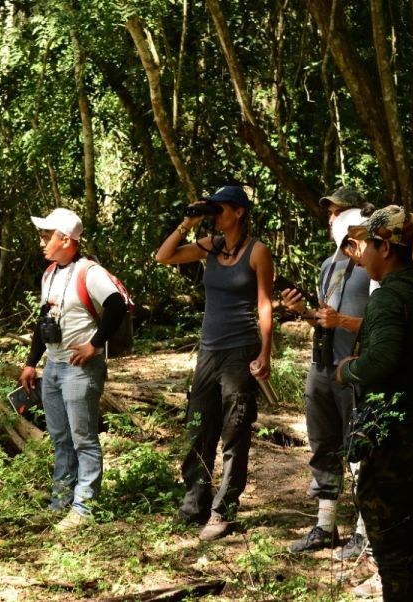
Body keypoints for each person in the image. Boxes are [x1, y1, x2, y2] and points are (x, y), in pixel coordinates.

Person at [336, 205, 413, 602]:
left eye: (365, 244)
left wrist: (349, 371)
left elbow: (383, 360)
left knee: (393, 555)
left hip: (395, 442)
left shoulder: (390, 297)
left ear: (384, 247)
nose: (362, 254)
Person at [155, 185, 274, 541]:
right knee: (198, 425)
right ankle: (195, 503)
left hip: (241, 349)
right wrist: (188, 222)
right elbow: (165, 256)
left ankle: (224, 511)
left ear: (238, 212)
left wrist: (265, 352)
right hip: (209, 350)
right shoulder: (210, 245)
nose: (215, 215)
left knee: (234, 428)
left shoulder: (258, 251)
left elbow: (264, 305)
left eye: (219, 208)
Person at [19, 208, 128, 532]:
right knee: (61, 439)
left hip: (81, 368)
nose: (41, 242)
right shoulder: (50, 273)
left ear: (65, 239)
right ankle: (60, 503)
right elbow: (43, 321)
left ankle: (83, 508)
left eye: (46, 236)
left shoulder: (89, 271)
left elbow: (116, 305)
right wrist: (30, 363)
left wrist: (95, 344)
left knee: (83, 439)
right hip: (53, 367)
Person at [280, 188, 373, 555]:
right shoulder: (328, 265)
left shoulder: (373, 262)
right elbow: (325, 317)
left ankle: (365, 532)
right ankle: (325, 526)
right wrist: (304, 311)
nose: (331, 218)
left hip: (355, 368)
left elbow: (386, 323)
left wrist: (343, 321)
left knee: (361, 448)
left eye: (337, 211)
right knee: (324, 446)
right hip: (322, 366)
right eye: (330, 212)